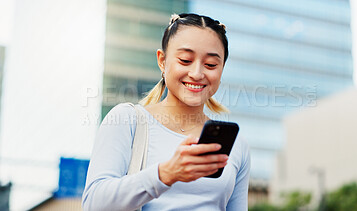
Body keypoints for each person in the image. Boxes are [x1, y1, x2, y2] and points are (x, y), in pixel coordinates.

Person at [82, 13, 250, 211]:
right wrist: (166, 173)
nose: (197, 73)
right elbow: (94, 204)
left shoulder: (236, 145)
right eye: (185, 60)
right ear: (162, 61)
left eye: (211, 64)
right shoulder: (127, 120)